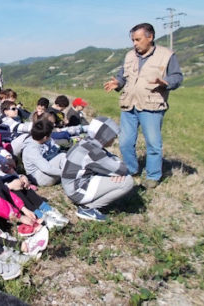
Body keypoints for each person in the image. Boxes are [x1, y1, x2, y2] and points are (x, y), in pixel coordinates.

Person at [104, 23, 183, 188]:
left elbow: (177, 77)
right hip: (129, 105)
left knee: (153, 143)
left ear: (150, 37)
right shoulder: (129, 56)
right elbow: (122, 76)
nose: (135, 43)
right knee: (125, 142)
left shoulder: (166, 55)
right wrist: (117, 83)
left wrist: (166, 82)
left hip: (151, 105)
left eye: (138, 39)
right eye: (133, 40)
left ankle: (153, 176)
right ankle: (132, 169)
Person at [62, 117, 134, 221]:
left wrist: (115, 168)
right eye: (113, 136)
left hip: (71, 186)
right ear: (105, 136)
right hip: (77, 191)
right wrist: (117, 170)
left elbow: (111, 159)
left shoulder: (86, 142)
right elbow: (122, 169)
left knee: (115, 174)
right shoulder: (94, 153)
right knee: (127, 181)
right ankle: (88, 209)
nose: (114, 139)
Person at [20, 119, 67, 187]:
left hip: (43, 171)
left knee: (63, 155)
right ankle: (70, 177)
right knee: (62, 156)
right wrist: (65, 173)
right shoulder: (32, 149)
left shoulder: (37, 140)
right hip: (39, 178)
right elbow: (47, 169)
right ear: (45, 137)